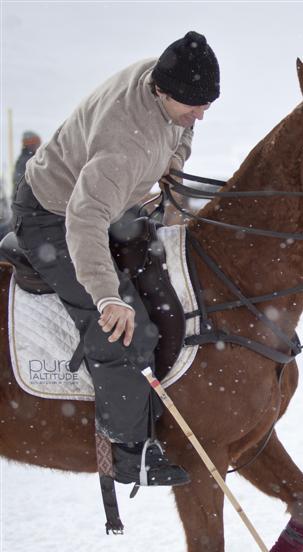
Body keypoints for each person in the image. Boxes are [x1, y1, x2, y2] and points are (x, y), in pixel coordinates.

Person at [11, 31, 220, 487]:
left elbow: (180, 133)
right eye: (193, 105)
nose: (200, 114)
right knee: (126, 329)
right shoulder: (124, 143)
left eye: (207, 104)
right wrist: (107, 298)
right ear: (161, 91)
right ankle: (129, 454)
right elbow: (84, 220)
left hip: (113, 202)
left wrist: (175, 166)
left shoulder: (165, 83)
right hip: (54, 214)